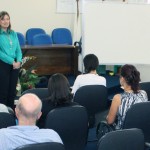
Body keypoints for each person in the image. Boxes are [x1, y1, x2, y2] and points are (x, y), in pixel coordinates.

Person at [106, 64, 148, 129]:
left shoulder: (118, 98)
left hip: (123, 134)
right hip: (140, 131)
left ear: (122, 79)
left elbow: (110, 121)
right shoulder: (143, 93)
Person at [0, 11, 22, 109]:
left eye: (7, 19)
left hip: (15, 65)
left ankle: (11, 113)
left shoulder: (13, 33)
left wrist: (19, 61)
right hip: (3, 64)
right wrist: (12, 61)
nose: (6, 21)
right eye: (3, 19)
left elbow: (18, 49)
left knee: (12, 92)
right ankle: (3, 114)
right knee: (3, 92)